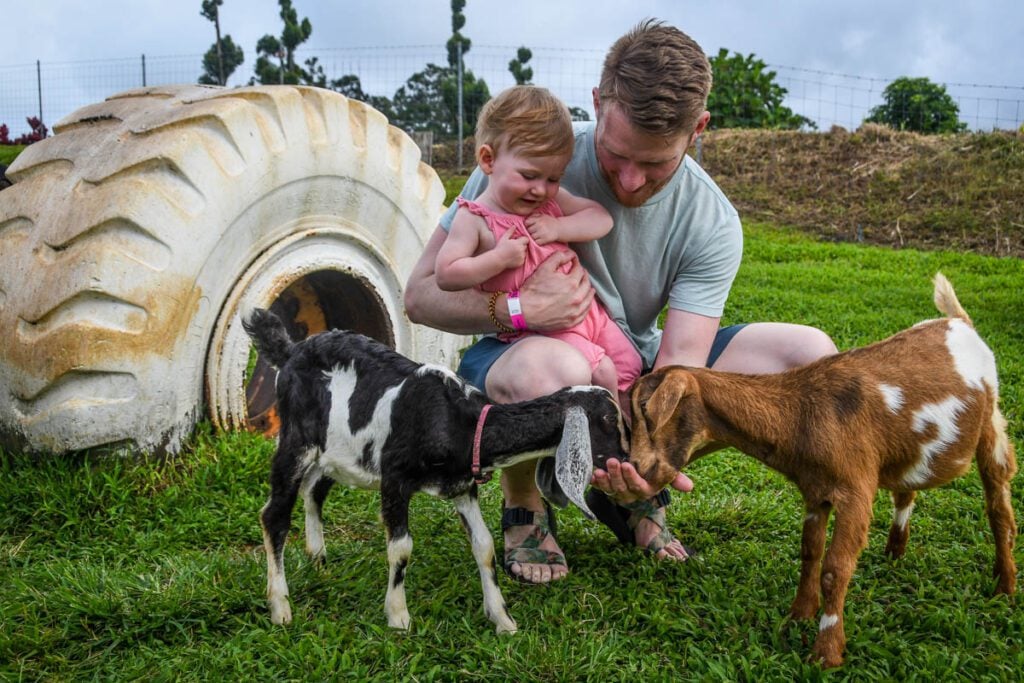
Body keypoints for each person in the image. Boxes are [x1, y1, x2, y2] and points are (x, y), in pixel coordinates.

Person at [405, 18, 838, 584]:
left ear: (699, 128)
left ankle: (634, 490)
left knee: (809, 353)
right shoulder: (531, 159)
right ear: (597, 103)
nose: (630, 182)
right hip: (522, 350)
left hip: (632, 357)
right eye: (615, 155)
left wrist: (651, 449)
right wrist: (520, 312)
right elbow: (419, 295)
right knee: (551, 367)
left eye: (655, 163)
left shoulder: (712, 221)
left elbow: (680, 365)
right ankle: (525, 507)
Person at [434, 85, 641, 402]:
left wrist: (559, 226)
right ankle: (613, 432)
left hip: (591, 314)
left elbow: (601, 219)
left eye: (553, 178)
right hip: (546, 330)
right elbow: (446, 273)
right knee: (604, 373)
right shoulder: (474, 218)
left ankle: (624, 422)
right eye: (529, 175)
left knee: (631, 364)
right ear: (488, 160)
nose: (541, 190)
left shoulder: (548, 204)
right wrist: (498, 260)